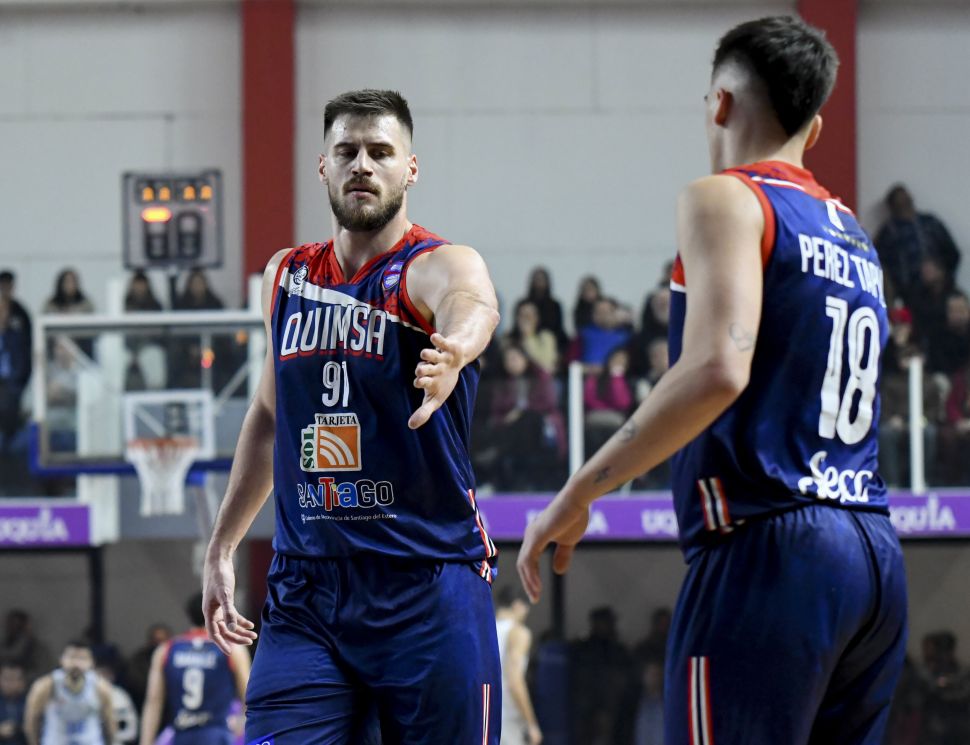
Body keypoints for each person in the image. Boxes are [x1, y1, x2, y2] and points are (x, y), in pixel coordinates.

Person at [518, 16, 907, 745]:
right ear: (816, 129)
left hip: (769, 545)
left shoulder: (727, 197)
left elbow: (717, 368)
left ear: (720, 102)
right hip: (873, 551)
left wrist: (580, 491)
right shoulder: (855, 235)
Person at [201, 88, 502, 745]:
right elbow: (269, 414)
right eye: (347, 151)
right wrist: (222, 546)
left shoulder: (433, 264)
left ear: (410, 169)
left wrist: (456, 348)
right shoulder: (286, 276)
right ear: (324, 166)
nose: (363, 164)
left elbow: (471, 300)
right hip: (307, 589)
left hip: (425, 578)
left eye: (380, 152)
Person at [139, 594, 249, 745]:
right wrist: (241, 724)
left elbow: (153, 703)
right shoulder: (231, 648)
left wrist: (145, 742)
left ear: (189, 615)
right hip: (217, 735)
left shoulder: (166, 649)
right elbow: (249, 698)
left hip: (181, 735)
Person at [875, 184, 960, 303]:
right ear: (892, 207)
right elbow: (878, 265)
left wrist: (941, 272)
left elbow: (953, 254)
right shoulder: (888, 233)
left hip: (940, 289)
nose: (903, 206)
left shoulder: (930, 223)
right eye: (899, 204)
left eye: (905, 201)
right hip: (907, 296)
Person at [23, 640, 115, 745]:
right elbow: (32, 720)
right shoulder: (45, 686)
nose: (76, 663)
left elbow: (110, 722)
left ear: (92, 662)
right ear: (61, 659)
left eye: (82, 658)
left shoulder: (101, 687)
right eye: (72, 657)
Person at [495, 588, 541, 745]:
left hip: (481, 715)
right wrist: (531, 723)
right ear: (518, 605)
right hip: (508, 719)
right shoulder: (518, 632)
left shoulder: (482, 630)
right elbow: (514, 681)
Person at [125, 625, 171, 714]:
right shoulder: (140, 659)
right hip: (143, 702)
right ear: (150, 641)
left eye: (163, 641)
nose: (159, 645)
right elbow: (135, 682)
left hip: (169, 706)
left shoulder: (174, 658)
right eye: (156, 640)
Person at [0, 663, 27, 745]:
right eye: (7, 679)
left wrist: (19, 728)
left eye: (16, 679)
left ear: (23, 682)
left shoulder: (30, 702)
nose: (11, 684)